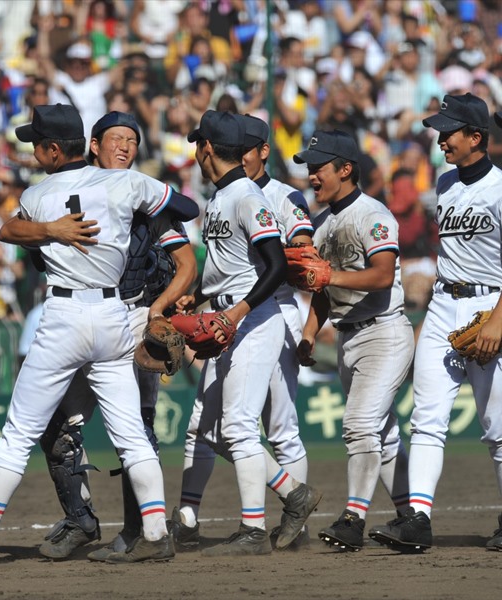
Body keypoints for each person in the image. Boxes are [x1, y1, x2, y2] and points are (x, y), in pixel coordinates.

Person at [0, 104, 199, 564]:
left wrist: (49, 229)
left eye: (37, 144)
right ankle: (156, 533)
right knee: (133, 435)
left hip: (63, 315)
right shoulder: (127, 182)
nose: (34, 151)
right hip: (114, 316)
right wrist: (138, 202)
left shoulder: (39, 194)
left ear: (54, 149)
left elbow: (5, 230)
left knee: (19, 431)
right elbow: (188, 208)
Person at [35, 111, 197, 561]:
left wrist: (162, 307)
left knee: (136, 429)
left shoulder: (147, 202)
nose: (124, 146)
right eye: (115, 139)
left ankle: (137, 531)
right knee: (56, 429)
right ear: (92, 144)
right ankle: (80, 519)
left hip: (134, 319)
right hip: (79, 318)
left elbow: (185, 265)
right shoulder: (63, 195)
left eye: (132, 140)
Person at [171, 110, 315, 557]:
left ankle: (254, 529)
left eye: (199, 145)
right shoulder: (223, 196)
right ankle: (294, 494)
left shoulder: (246, 195)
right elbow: (228, 268)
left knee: (236, 426)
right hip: (229, 319)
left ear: (207, 149)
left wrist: (236, 313)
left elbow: (275, 266)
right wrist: (195, 299)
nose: (197, 152)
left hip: (253, 322)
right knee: (210, 428)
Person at [369, 95, 502, 552]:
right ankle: (418, 520)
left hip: (492, 306)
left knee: (498, 425)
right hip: (445, 304)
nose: (441, 138)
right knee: (426, 418)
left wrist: (497, 323)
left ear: (476, 138)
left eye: (450, 132)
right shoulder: (445, 184)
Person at [292, 129, 414, 552]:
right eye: (309, 169)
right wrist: (309, 335)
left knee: (359, 425)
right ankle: (411, 516)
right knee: (383, 431)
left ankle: (353, 518)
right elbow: (323, 292)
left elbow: (381, 276)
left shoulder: (373, 214)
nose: (312, 176)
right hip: (347, 336)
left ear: (345, 169)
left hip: (383, 329)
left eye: (319, 168)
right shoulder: (322, 222)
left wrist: (329, 275)